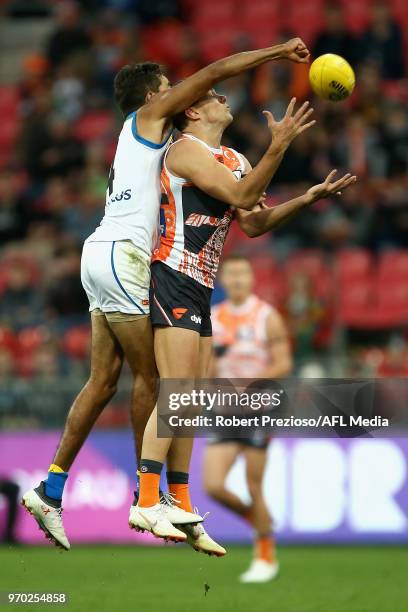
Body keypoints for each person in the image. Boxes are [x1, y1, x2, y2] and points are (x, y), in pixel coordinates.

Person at [22, 38, 313, 550]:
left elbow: (249, 211)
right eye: (169, 89)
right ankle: (151, 495)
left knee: (105, 379)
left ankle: (51, 489)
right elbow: (217, 67)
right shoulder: (154, 119)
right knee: (162, 381)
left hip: (102, 253)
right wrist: (275, 53)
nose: (179, 94)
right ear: (154, 96)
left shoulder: (159, 144)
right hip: (128, 255)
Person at [133, 88, 357, 554]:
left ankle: (181, 502)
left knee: (190, 401)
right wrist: (279, 145)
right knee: (177, 392)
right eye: (213, 95)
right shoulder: (185, 150)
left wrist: (307, 198)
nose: (222, 97)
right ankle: (146, 499)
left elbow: (252, 221)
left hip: (200, 286)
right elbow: (240, 194)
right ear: (193, 111)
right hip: (173, 272)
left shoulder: (233, 157)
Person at [203, 254, 292, 582]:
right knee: (213, 485)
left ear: (252, 278)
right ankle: (260, 524)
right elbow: (207, 370)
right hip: (224, 410)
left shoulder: (267, 317)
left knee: (254, 484)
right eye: (232, 274)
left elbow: (282, 363)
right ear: (223, 279)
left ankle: (265, 556)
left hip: (258, 409)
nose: (238, 279)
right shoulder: (212, 318)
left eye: (244, 273)